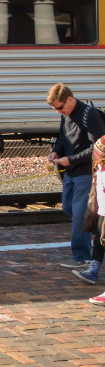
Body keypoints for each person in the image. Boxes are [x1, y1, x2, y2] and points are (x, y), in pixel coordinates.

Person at [46, 83, 105, 268]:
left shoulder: (90, 115)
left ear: (70, 99)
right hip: (71, 173)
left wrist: (71, 159)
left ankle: (81, 256)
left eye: (60, 107)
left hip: (86, 173)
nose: (58, 112)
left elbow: (98, 148)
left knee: (80, 215)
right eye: (55, 109)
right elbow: (63, 138)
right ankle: (94, 232)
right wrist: (56, 152)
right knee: (69, 208)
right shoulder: (66, 116)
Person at [75, 136, 105, 285]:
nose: (97, 163)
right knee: (99, 239)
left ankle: (94, 270)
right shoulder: (100, 171)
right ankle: (93, 270)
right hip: (102, 210)